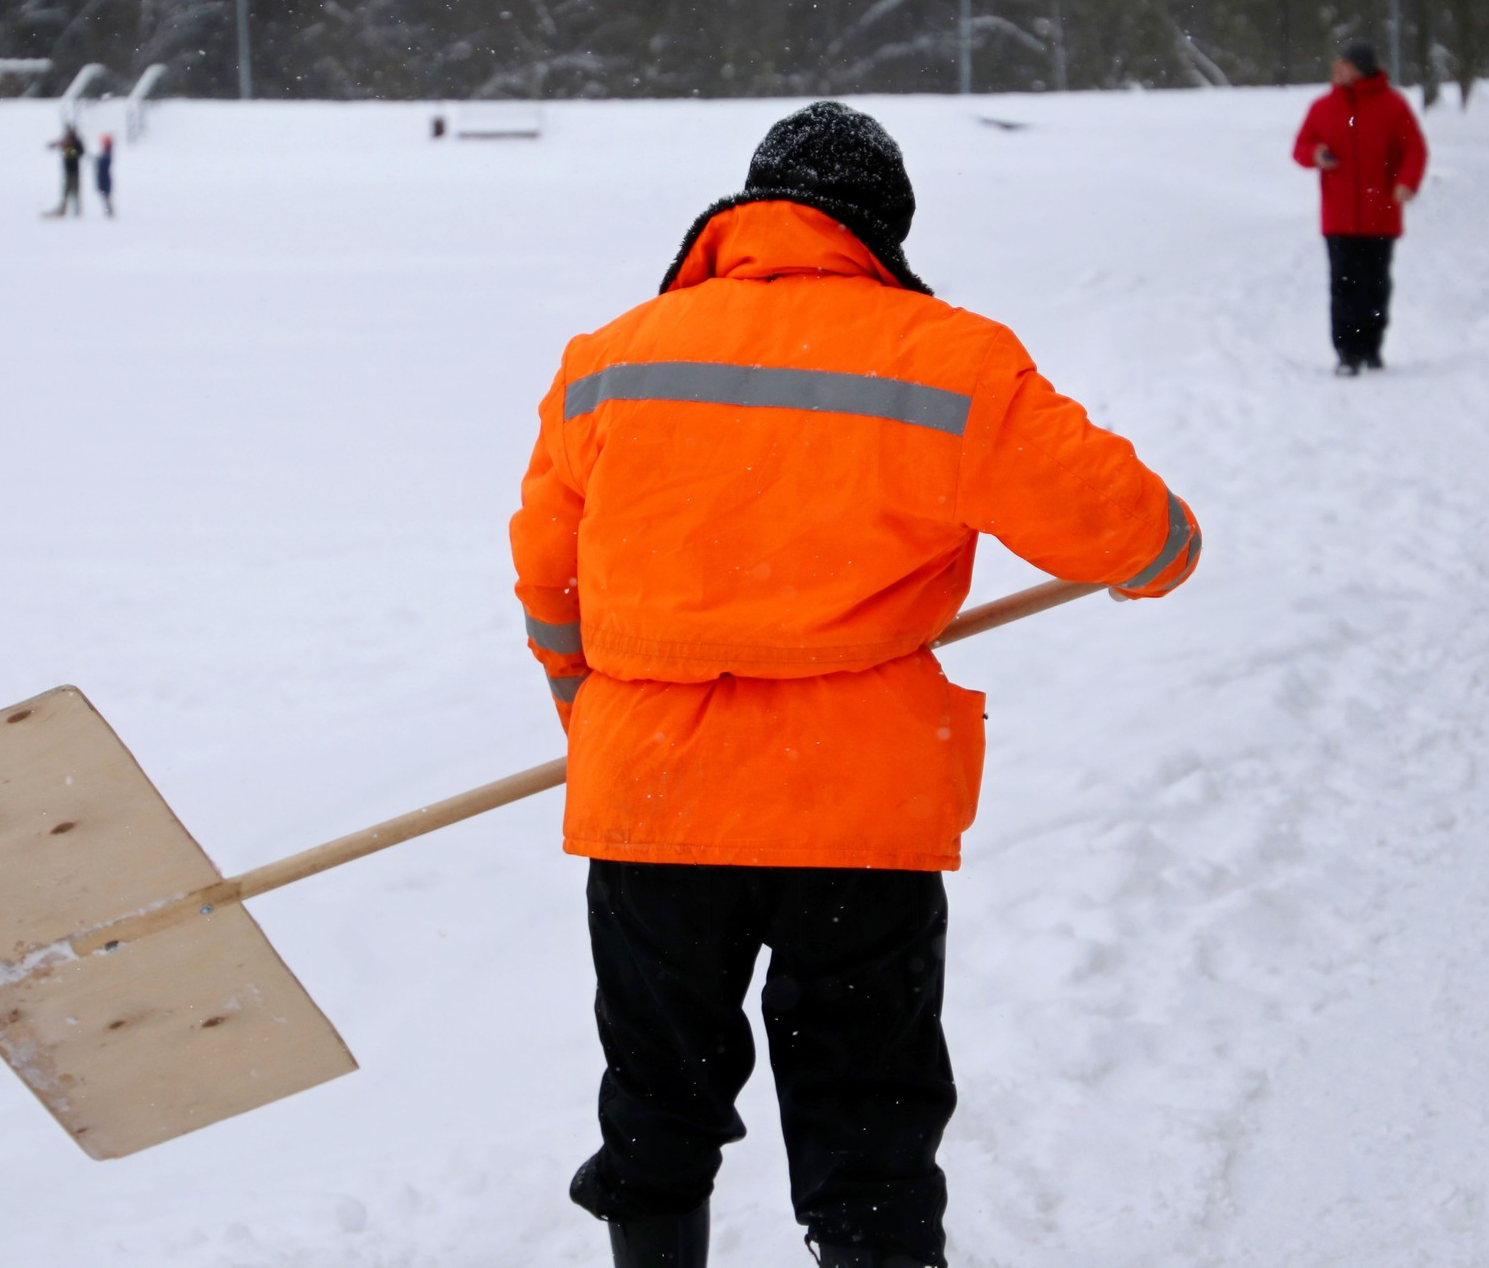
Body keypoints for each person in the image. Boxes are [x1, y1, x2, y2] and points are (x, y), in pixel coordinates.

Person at [510, 102, 1201, 1268]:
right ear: (885, 230)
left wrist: (589, 701)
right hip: (855, 807)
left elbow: (546, 577)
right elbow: (1143, 541)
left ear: (748, 210)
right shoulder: (950, 358)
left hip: (654, 802)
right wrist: (1164, 552)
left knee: (656, 1089)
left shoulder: (609, 359)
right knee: (866, 1106)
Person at [1292, 39, 1428, 375]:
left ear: (1362, 69)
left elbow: (1415, 150)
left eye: (1345, 65)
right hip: (1338, 215)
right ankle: (1347, 353)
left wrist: (1406, 183)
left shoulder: (1393, 106)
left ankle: (1371, 348)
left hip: (1381, 213)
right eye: (1336, 64)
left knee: (1375, 285)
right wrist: (1316, 155)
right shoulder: (1322, 108)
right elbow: (1300, 147)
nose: (1337, 70)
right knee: (1343, 285)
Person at [46, 125, 85, 218]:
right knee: (66, 192)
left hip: (74, 172)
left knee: (75, 192)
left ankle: (77, 212)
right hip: (68, 171)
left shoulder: (76, 142)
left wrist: (70, 149)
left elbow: (80, 153)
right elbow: (59, 145)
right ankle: (64, 209)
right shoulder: (67, 141)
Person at [95, 133, 115, 218]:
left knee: (106, 195)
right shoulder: (107, 153)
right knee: (105, 195)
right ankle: (109, 211)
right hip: (103, 177)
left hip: (104, 177)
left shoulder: (107, 154)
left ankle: (109, 211)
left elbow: (104, 164)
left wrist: (98, 160)